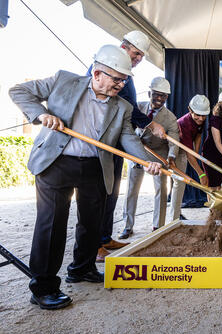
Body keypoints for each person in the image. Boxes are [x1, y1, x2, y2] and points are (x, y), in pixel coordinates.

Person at [9, 44, 162, 310]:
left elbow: (127, 137)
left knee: (93, 223)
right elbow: (18, 91)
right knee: (53, 223)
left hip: (94, 166)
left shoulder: (122, 106)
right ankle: (43, 287)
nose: (120, 84)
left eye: (123, 80)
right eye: (116, 79)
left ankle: (81, 268)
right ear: (98, 73)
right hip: (56, 163)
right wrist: (42, 114)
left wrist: (148, 161)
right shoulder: (63, 80)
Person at [87, 31, 166, 262]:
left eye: (141, 55)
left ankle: (104, 237)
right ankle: (93, 246)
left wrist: (148, 125)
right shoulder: (104, 66)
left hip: (118, 140)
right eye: (136, 53)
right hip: (101, 141)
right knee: (99, 194)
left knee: (111, 192)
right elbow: (124, 106)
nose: (138, 58)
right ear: (123, 46)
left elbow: (128, 110)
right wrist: (151, 124)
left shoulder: (126, 77)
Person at [120, 77, 179, 238]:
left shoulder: (170, 118)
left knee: (161, 190)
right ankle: (127, 225)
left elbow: (174, 140)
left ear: (167, 97)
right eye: (156, 94)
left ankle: (157, 226)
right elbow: (126, 128)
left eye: (163, 96)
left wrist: (172, 156)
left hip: (158, 156)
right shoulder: (136, 108)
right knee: (131, 190)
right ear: (149, 93)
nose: (159, 99)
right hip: (137, 154)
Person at [168, 95, 210, 221]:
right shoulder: (184, 123)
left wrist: (196, 153)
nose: (201, 118)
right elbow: (187, 153)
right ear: (190, 110)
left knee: (181, 184)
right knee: (179, 182)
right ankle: (174, 217)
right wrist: (201, 174)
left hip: (186, 148)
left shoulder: (200, 119)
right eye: (198, 115)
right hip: (174, 150)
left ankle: (176, 213)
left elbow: (198, 134)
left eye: (204, 116)